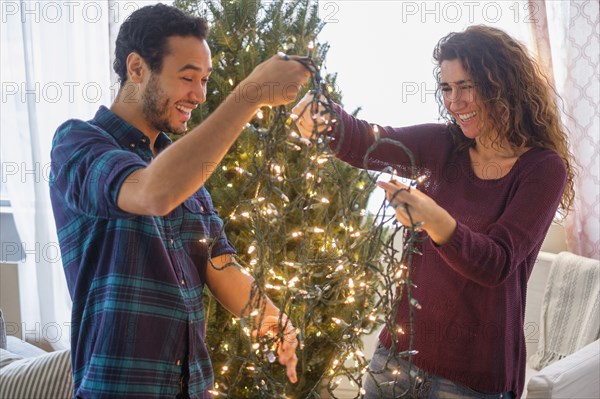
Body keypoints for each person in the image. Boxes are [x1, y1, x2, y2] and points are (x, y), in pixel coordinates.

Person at [293, 25, 574, 399]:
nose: (454, 102)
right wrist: (323, 114)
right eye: (446, 88)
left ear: (503, 85)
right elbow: (365, 142)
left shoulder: (542, 168)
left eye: (466, 85)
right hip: (395, 362)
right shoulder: (442, 144)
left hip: (472, 380)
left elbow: (496, 263)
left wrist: (433, 219)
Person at [49, 4, 309, 398]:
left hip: (193, 388)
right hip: (119, 387)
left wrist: (275, 322)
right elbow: (152, 192)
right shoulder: (77, 143)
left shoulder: (184, 172)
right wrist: (250, 94)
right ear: (136, 68)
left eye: (205, 80)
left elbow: (219, 264)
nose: (199, 95)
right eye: (188, 78)